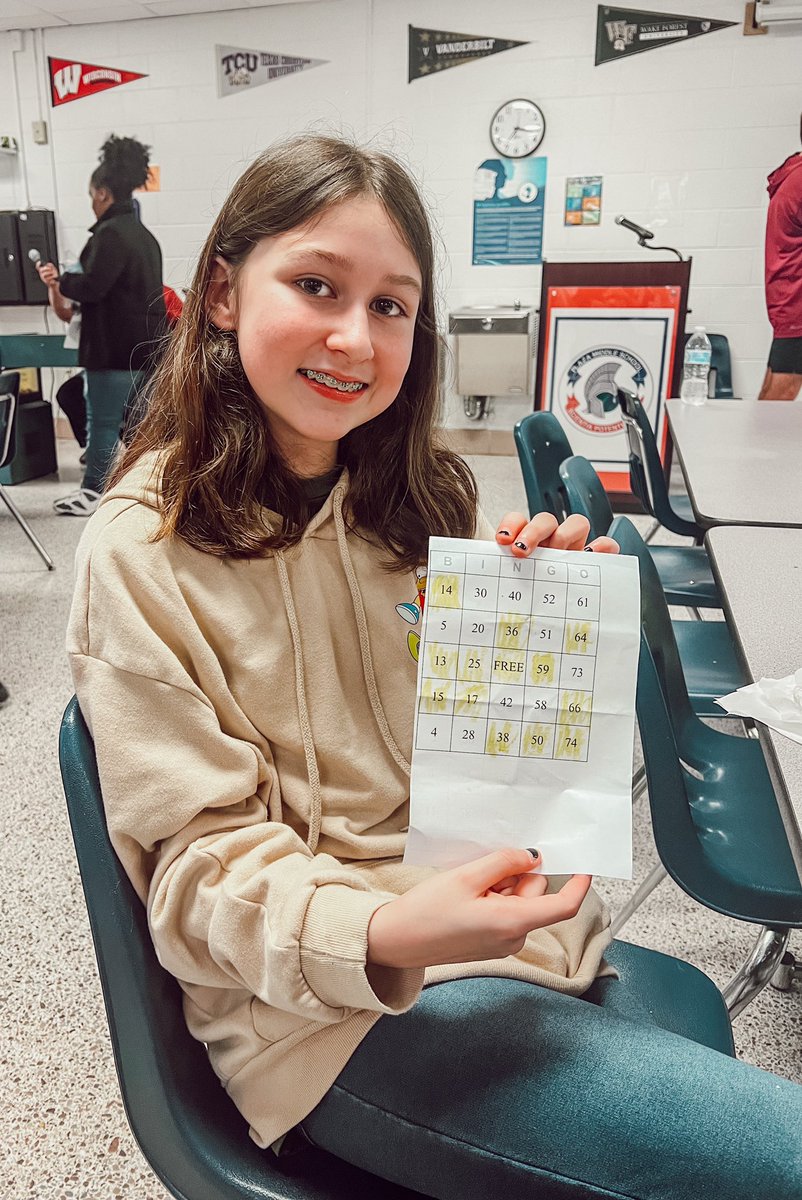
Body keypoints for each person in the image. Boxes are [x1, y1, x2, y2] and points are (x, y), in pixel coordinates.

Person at [66, 135, 802, 1200]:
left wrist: (547, 636)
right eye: (315, 285)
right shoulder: (145, 547)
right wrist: (387, 928)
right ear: (221, 291)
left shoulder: (426, 501)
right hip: (329, 1019)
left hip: (527, 957)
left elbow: (495, 777)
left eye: (390, 306)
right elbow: (197, 875)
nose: (352, 337)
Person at [37, 134, 166, 515]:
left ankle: (93, 491)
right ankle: (141, 489)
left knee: (104, 422)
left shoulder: (110, 235)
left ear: (105, 193)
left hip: (111, 350)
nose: (92, 203)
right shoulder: (145, 237)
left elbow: (93, 287)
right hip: (145, 348)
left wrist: (63, 280)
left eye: (93, 194)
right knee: (139, 424)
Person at [760, 115, 802, 401]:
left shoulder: (795, 174)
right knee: (778, 400)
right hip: (797, 305)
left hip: (791, 303)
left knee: (774, 398)